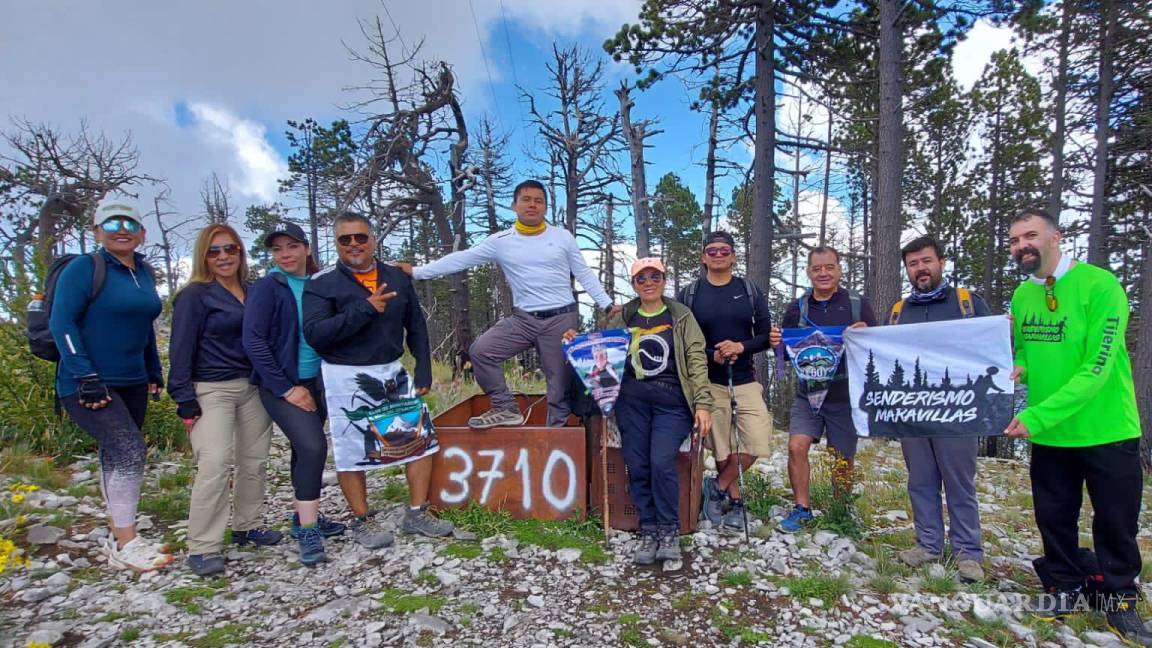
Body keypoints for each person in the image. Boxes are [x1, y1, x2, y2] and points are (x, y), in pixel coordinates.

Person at [1005, 208, 1150, 644]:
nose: (1021, 246)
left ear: (1055, 238)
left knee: (1116, 521)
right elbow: (1028, 355)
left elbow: (1097, 368)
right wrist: (1016, 367)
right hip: (1050, 435)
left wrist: (1035, 416)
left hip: (1107, 429)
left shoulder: (1101, 286)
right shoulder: (1021, 296)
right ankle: (1063, 585)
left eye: (1030, 236)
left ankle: (1119, 600)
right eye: (1014, 240)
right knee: (1054, 516)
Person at [395, 180, 620, 429]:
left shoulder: (562, 237)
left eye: (539, 200)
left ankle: (556, 441)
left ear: (545, 207)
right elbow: (462, 259)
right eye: (526, 199)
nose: (532, 205)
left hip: (560, 319)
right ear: (514, 205)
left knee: (558, 386)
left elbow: (583, 272)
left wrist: (607, 304)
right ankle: (504, 407)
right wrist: (416, 272)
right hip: (523, 319)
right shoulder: (501, 241)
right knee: (481, 351)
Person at [303, 212, 454, 543]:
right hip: (345, 374)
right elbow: (316, 334)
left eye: (361, 237)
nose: (354, 244)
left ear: (373, 240)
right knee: (351, 450)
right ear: (337, 244)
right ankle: (362, 519)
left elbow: (415, 325)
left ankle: (416, 513)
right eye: (345, 239)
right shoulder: (322, 284)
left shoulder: (396, 278)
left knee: (420, 442)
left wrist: (424, 367)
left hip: (391, 370)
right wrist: (365, 309)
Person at [49, 197, 172, 572]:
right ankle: (126, 543)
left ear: (142, 233)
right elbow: (62, 323)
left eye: (130, 224)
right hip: (86, 382)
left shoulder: (143, 272)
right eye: (112, 223)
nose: (122, 230)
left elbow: (143, 327)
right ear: (97, 231)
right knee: (130, 450)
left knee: (116, 454)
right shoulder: (84, 268)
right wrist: (85, 375)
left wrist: (153, 370)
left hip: (133, 379)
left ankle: (121, 529)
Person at [569, 258, 712, 565]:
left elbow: (697, 360)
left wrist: (702, 403)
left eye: (655, 276)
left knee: (661, 461)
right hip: (631, 402)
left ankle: (669, 529)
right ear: (633, 283)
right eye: (641, 278)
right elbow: (601, 354)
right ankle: (649, 529)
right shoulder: (623, 318)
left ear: (664, 279)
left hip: (672, 401)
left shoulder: (681, 316)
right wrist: (575, 342)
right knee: (637, 463)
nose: (649, 282)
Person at [169, 224, 278, 577]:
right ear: (204, 256)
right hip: (211, 388)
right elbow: (180, 347)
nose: (223, 256)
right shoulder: (195, 295)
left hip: (253, 387)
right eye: (214, 251)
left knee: (255, 460)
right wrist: (183, 396)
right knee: (215, 463)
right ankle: (202, 546)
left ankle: (247, 525)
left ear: (240, 253)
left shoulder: (254, 291)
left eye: (230, 249)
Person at [243, 222, 354, 566]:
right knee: (313, 446)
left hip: (321, 381)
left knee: (301, 451)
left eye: (291, 246)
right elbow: (254, 341)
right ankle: (307, 530)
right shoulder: (267, 287)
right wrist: (288, 388)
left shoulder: (322, 283)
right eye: (277, 249)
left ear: (306, 248)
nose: (285, 255)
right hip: (282, 383)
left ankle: (303, 515)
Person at [887, 235, 989, 582]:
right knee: (920, 480)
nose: (920, 269)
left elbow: (992, 350)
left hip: (957, 411)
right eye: (913, 264)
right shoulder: (900, 311)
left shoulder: (967, 304)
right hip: (913, 412)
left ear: (941, 262)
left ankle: (967, 554)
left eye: (926, 261)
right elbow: (888, 358)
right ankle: (928, 544)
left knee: (960, 482)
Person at [770, 246, 875, 533]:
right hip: (808, 393)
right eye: (817, 269)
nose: (824, 273)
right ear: (809, 272)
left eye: (829, 267)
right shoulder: (797, 308)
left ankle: (841, 510)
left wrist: (865, 332)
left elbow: (877, 346)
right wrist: (777, 340)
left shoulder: (857, 304)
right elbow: (785, 347)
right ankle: (802, 509)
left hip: (845, 393)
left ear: (839, 269)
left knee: (841, 457)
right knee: (796, 446)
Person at [677, 231, 773, 532]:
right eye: (712, 251)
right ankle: (735, 502)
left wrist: (741, 347)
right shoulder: (689, 294)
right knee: (722, 447)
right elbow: (680, 340)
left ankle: (716, 487)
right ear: (704, 257)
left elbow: (766, 336)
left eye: (724, 251)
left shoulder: (749, 290)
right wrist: (712, 354)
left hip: (744, 379)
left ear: (733, 256)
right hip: (707, 382)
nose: (718, 255)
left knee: (758, 439)